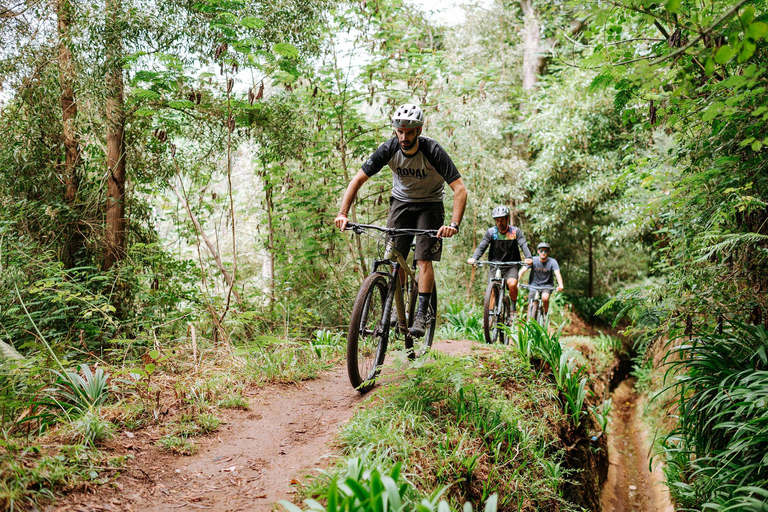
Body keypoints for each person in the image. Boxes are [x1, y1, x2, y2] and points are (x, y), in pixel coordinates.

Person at [334, 103, 468, 337]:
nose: (403, 137)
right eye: (399, 131)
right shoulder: (389, 148)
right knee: (394, 255)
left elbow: (460, 190)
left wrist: (453, 224)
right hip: (401, 203)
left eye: (409, 132)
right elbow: (357, 180)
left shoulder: (433, 150)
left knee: (423, 259)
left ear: (418, 130)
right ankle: (396, 309)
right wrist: (343, 213)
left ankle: (421, 314)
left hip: (430, 204)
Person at [466, 205, 533, 316]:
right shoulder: (491, 232)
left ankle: (512, 308)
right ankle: (490, 316)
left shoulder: (515, 232)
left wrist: (529, 257)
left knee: (512, 284)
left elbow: (523, 245)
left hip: (511, 265)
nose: (499, 223)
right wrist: (474, 258)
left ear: (507, 219)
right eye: (497, 220)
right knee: (491, 288)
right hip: (495, 265)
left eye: (502, 220)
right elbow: (482, 246)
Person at [517, 242, 564, 315]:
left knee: (545, 298)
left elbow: (557, 274)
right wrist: (517, 281)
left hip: (546, 286)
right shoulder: (533, 260)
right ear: (538, 251)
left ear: (548, 252)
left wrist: (560, 285)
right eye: (541, 251)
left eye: (545, 251)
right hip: (533, 285)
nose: (543, 253)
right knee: (530, 305)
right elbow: (522, 270)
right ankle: (529, 321)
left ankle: (545, 314)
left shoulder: (552, 262)